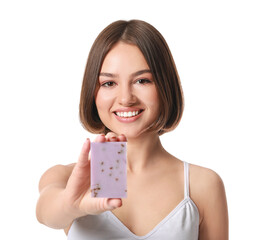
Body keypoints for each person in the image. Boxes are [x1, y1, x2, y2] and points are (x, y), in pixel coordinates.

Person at [36, 20, 228, 240]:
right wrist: (72, 204)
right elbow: (45, 212)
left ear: (165, 85)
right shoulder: (69, 178)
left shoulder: (202, 185)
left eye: (142, 80)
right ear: (93, 92)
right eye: (109, 83)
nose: (126, 98)